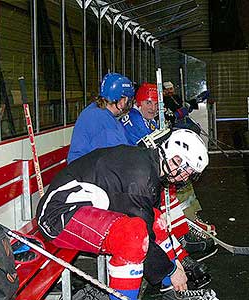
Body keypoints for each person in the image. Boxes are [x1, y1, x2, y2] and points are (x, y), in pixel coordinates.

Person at [36, 129, 218, 300]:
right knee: (133, 237)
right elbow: (143, 238)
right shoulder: (140, 179)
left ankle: (172, 289)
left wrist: (173, 262)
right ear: (174, 158)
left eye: (190, 174)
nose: (184, 178)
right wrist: (169, 269)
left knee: (155, 219)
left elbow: (149, 218)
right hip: (57, 217)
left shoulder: (148, 163)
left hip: (80, 208)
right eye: (185, 170)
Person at [121, 83, 215, 288]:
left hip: (134, 181)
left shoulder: (146, 120)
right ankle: (173, 257)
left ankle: (180, 239)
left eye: (156, 103)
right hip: (129, 187)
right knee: (160, 205)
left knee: (172, 186)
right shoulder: (135, 123)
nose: (153, 107)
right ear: (137, 102)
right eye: (148, 102)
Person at [67, 72, 134, 164]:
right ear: (122, 101)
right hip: (85, 175)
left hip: (88, 171)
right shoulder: (101, 119)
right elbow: (119, 157)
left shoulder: (99, 113)